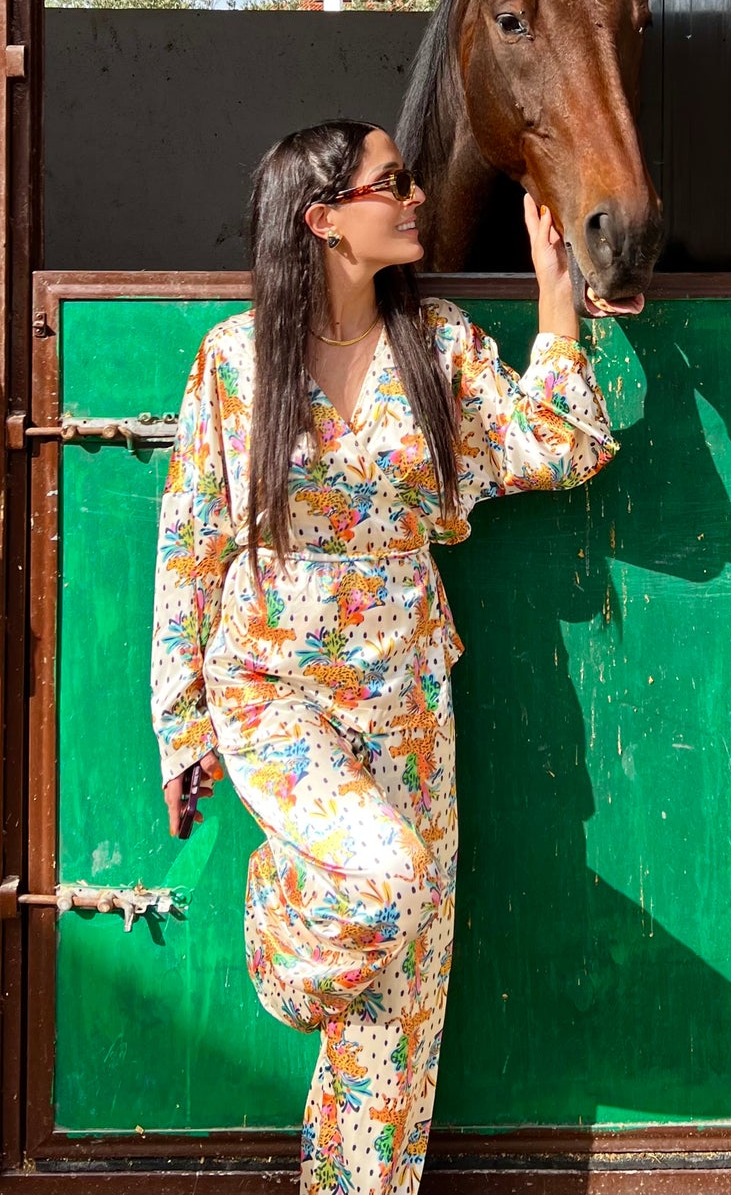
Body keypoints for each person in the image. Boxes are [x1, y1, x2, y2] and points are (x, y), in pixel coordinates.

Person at [150, 119, 618, 1195]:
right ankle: (278, 942)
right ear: (322, 219)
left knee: (400, 1008)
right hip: (270, 690)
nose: (414, 196)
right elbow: (189, 549)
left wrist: (557, 298)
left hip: (405, 687)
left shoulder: (439, 343)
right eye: (390, 182)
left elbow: (562, 443)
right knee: (390, 878)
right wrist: (181, 723)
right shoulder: (233, 361)